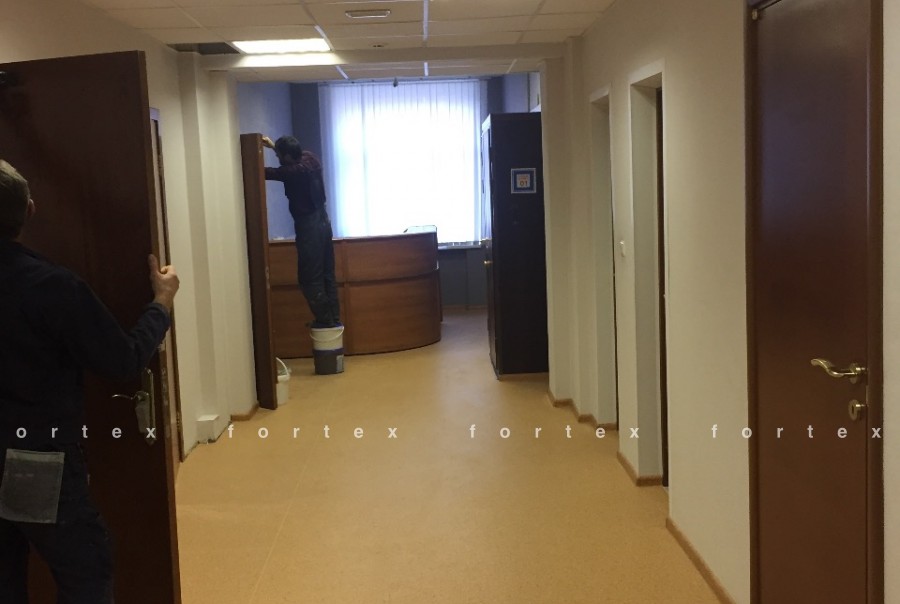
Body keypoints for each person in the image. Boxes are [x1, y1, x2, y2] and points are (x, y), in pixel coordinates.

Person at [0, 159, 179, 603]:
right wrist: (161, 303)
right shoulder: (51, 286)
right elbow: (122, 361)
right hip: (34, 459)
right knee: (85, 573)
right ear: (30, 210)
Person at [262, 135, 340, 328]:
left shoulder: (293, 171)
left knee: (309, 278)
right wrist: (273, 146)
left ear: (287, 156)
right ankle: (334, 318)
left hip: (309, 226)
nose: (278, 159)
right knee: (327, 273)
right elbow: (288, 162)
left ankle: (325, 321)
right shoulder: (310, 158)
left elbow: (265, 172)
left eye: (279, 156)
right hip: (324, 221)